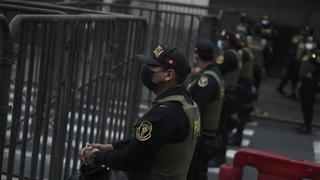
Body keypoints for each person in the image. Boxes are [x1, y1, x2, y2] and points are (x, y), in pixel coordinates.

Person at [80, 44, 201, 180]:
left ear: (168, 75)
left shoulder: (164, 114)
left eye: (152, 67)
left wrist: (95, 156)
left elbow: (129, 158)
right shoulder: (187, 104)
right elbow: (148, 142)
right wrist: (110, 147)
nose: (147, 71)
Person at [186, 39, 224, 180]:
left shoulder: (206, 80)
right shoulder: (214, 72)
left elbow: (196, 108)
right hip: (207, 135)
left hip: (201, 137)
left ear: (197, 56)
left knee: (195, 174)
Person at [214, 30, 242, 166]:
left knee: (220, 128)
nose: (222, 43)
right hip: (230, 95)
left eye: (224, 40)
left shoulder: (228, 55)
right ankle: (219, 157)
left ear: (229, 42)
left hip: (225, 96)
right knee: (222, 127)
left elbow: (217, 69)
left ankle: (219, 158)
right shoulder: (235, 54)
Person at [229, 33, 255, 146]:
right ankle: (237, 136)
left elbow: (235, 69)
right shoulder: (247, 52)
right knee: (241, 113)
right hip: (246, 86)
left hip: (242, 87)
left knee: (239, 114)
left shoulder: (242, 53)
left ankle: (237, 138)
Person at [296, 49, 320, 134]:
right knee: (304, 103)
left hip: (311, 82)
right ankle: (305, 123)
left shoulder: (316, 54)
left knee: (308, 104)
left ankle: (307, 126)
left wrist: (314, 75)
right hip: (304, 81)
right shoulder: (312, 52)